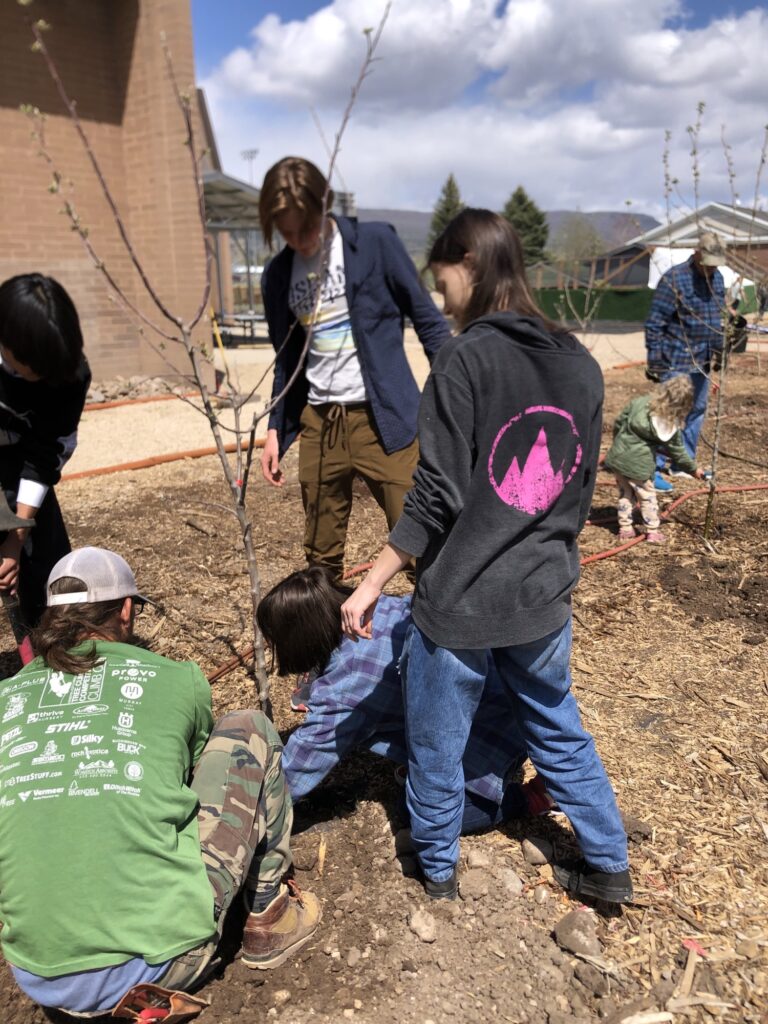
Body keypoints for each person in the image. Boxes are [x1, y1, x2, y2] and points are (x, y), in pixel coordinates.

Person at [340, 209, 631, 905]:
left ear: (469, 261)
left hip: (462, 601)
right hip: (540, 597)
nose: (442, 304)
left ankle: (437, 873)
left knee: (436, 744)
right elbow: (578, 485)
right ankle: (610, 863)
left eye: (443, 285)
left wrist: (373, 580)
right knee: (558, 728)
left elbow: (435, 493)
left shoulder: (464, 360)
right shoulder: (582, 366)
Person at [0, 547, 321, 1017]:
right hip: (156, 964)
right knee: (248, 731)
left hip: (38, 972)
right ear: (126, 610)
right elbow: (191, 784)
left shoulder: (7, 697)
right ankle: (269, 917)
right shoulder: (178, 679)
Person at [258, 157, 451, 579]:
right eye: (286, 234)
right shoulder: (277, 275)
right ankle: (328, 640)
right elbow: (286, 361)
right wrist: (276, 428)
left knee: (420, 542)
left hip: (385, 419)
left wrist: (458, 396)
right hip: (320, 423)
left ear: (323, 205)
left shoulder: (375, 244)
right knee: (321, 558)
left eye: (305, 229)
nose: (299, 242)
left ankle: (438, 639)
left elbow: (429, 321)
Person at [256, 567, 555, 832]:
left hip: (495, 728)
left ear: (299, 638)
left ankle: (531, 797)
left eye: (276, 640)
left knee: (419, 814)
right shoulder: (373, 609)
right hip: (512, 692)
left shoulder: (344, 688)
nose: (271, 646)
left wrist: (247, 815)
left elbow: (296, 769)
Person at [0, 273, 91, 632]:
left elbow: (44, 455)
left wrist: (15, 538)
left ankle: (57, 645)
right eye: (34, 370)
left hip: (24, 459)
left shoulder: (67, 372)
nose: (42, 379)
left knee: (51, 575)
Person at [645, 232, 725, 493]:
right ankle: (653, 468)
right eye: (708, 263)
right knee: (666, 412)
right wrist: (656, 359)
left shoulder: (718, 279)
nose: (711, 268)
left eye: (715, 264)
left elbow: (716, 317)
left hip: (701, 360)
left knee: (697, 410)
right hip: (675, 357)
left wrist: (718, 349)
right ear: (697, 254)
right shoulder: (674, 278)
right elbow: (655, 322)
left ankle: (683, 463)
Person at [604, 376, 708, 543]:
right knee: (647, 496)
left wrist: (619, 442)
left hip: (619, 457)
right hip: (640, 464)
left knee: (626, 492)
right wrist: (694, 469)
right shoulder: (669, 424)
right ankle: (652, 530)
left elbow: (619, 422)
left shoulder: (639, 403)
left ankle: (625, 528)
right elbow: (678, 453)